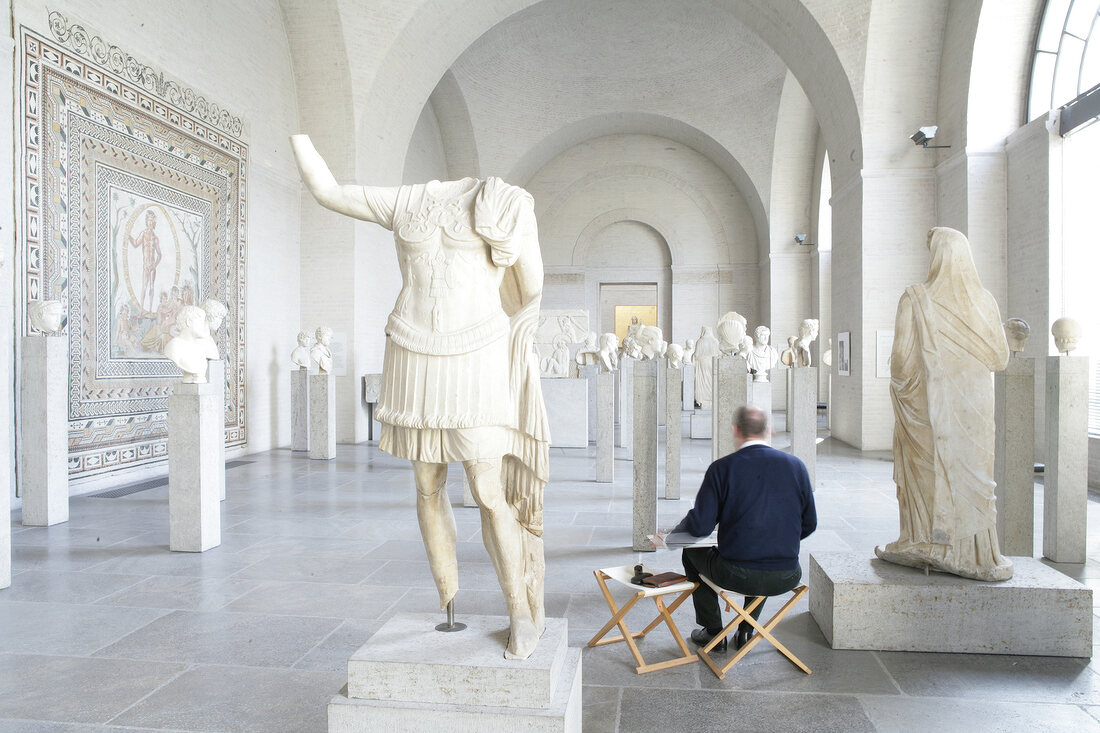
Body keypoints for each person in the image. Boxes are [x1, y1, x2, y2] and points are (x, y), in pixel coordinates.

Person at [290, 134, 549, 660]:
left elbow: (531, 289)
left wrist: (508, 246)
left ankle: (520, 610)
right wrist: (299, 133)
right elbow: (328, 190)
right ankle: (447, 593)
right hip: (412, 348)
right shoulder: (408, 200)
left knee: (486, 485)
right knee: (427, 482)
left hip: (477, 351)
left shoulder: (506, 201)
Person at [875, 227, 1012, 581]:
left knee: (928, 471)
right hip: (975, 409)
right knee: (975, 476)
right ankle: (977, 554)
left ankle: (927, 541)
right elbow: (1000, 357)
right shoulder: (984, 300)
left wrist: (906, 392)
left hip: (928, 408)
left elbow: (901, 363)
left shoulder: (917, 298)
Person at [672, 404, 816, 651]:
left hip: (735, 573)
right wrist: (777, 539)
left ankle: (714, 632)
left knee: (691, 552)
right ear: (768, 430)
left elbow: (700, 526)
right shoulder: (796, 466)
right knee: (760, 552)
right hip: (787, 575)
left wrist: (672, 536)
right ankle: (747, 629)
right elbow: (809, 524)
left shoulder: (722, 468)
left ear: (736, 430)